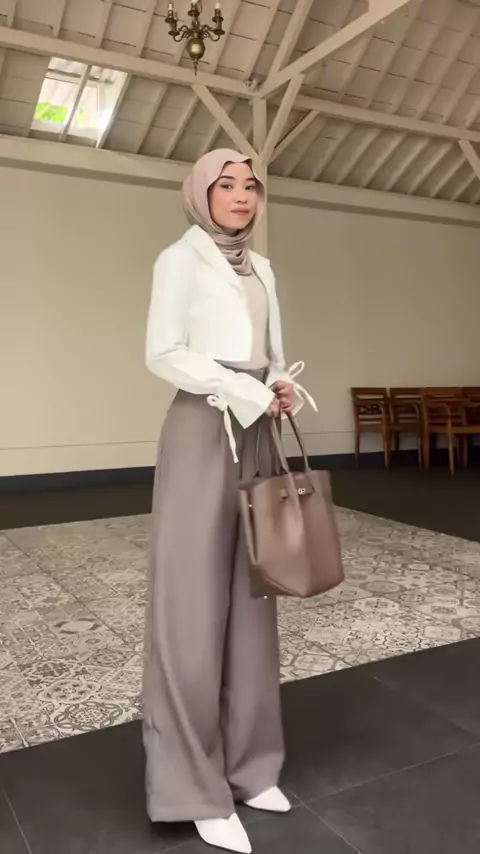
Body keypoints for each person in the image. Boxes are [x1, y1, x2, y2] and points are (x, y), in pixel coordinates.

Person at [142, 149, 315, 853]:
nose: (243, 195)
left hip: (258, 431)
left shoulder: (262, 267)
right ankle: (194, 788)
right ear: (201, 194)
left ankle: (251, 767)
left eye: (251, 185)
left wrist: (276, 383)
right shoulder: (178, 260)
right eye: (227, 184)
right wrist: (243, 388)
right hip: (202, 430)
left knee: (254, 597)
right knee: (190, 608)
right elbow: (162, 352)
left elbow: (269, 351)